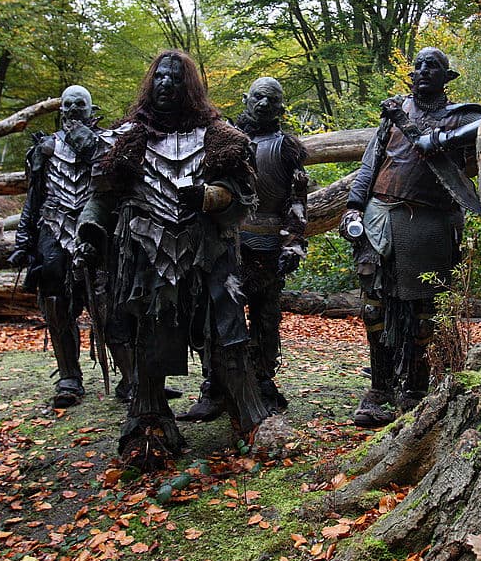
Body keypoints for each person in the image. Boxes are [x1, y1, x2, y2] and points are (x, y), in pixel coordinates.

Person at [75, 50, 270, 468]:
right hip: (147, 249)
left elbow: (241, 194)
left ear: (190, 87)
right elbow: (102, 194)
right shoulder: (126, 139)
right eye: (160, 77)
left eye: (176, 79)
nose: (166, 84)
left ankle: (252, 418)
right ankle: (148, 421)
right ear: (151, 82)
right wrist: (90, 231)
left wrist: (208, 196)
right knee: (149, 332)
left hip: (209, 251)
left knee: (227, 333)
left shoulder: (221, 136)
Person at [341, 47, 481, 427]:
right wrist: (353, 206)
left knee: (424, 311)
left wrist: (442, 140)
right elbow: (370, 163)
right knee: (375, 307)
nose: (424, 70)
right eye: (419, 65)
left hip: (430, 223)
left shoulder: (461, 116)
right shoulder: (394, 113)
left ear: (447, 76)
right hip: (380, 217)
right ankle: (380, 389)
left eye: (434, 66)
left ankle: (416, 390)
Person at [181, 77, 307, 418]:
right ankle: (215, 386)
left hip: (266, 247)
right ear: (246, 98)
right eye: (258, 97)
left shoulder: (287, 147)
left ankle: (263, 381)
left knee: (266, 318)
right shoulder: (219, 138)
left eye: (272, 99)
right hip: (221, 243)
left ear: (281, 106)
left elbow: (296, 200)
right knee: (216, 317)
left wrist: (292, 245)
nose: (264, 105)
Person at [9, 85, 110, 407]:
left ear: (91, 109)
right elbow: (34, 198)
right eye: (68, 104)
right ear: (61, 110)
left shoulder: (107, 145)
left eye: (80, 104)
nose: (73, 109)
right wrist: (23, 241)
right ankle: (68, 376)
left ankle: (130, 377)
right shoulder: (45, 148)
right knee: (55, 301)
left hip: (96, 228)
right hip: (52, 228)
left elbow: (115, 190)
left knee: (109, 301)